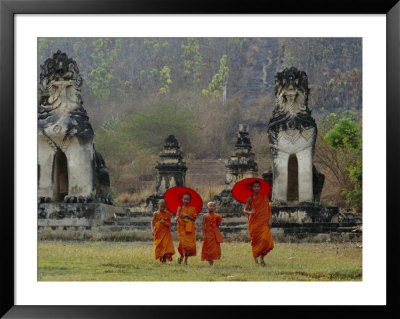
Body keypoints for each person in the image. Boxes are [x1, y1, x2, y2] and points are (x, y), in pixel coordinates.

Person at [243, 180, 274, 266]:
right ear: (252, 188)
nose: (256, 188)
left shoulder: (264, 197)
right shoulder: (250, 198)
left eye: (258, 186)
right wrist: (250, 212)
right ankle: (256, 259)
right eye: (254, 186)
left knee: (266, 240)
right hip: (254, 222)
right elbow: (244, 210)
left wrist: (270, 220)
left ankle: (262, 258)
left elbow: (268, 209)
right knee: (255, 241)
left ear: (260, 188)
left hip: (264, 221)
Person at [175, 193, 198, 265]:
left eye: (187, 199)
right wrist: (176, 218)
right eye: (184, 199)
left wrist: (187, 215)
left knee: (189, 245)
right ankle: (181, 256)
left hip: (190, 229)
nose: (186, 201)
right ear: (182, 199)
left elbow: (194, 219)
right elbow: (177, 216)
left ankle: (185, 261)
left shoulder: (192, 209)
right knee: (182, 243)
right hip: (182, 228)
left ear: (189, 200)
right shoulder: (180, 208)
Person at [151, 199, 175, 263]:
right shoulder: (155, 214)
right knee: (159, 246)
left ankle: (164, 259)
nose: (162, 208)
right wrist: (152, 230)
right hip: (158, 232)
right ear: (158, 205)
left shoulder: (167, 213)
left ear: (166, 207)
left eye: (164, 207)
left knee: (165, 246)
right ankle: (160, 258)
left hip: (165, 232)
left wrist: (164, 222)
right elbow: (152, 222)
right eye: (161, 206)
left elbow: (169, 224)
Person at [201, 201, 223, 266]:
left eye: (213, 206)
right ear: (207, 207)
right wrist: (203, 234)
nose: (212, 207)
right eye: (210, 206)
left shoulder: (217, 216)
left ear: (215, 208)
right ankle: (209, 261)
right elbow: (202, 225)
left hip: (214, 234)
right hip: (207, 233)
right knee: (207, 247)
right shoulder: (205, 216)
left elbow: (218, 224)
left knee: (214, 248)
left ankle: (211, 261)